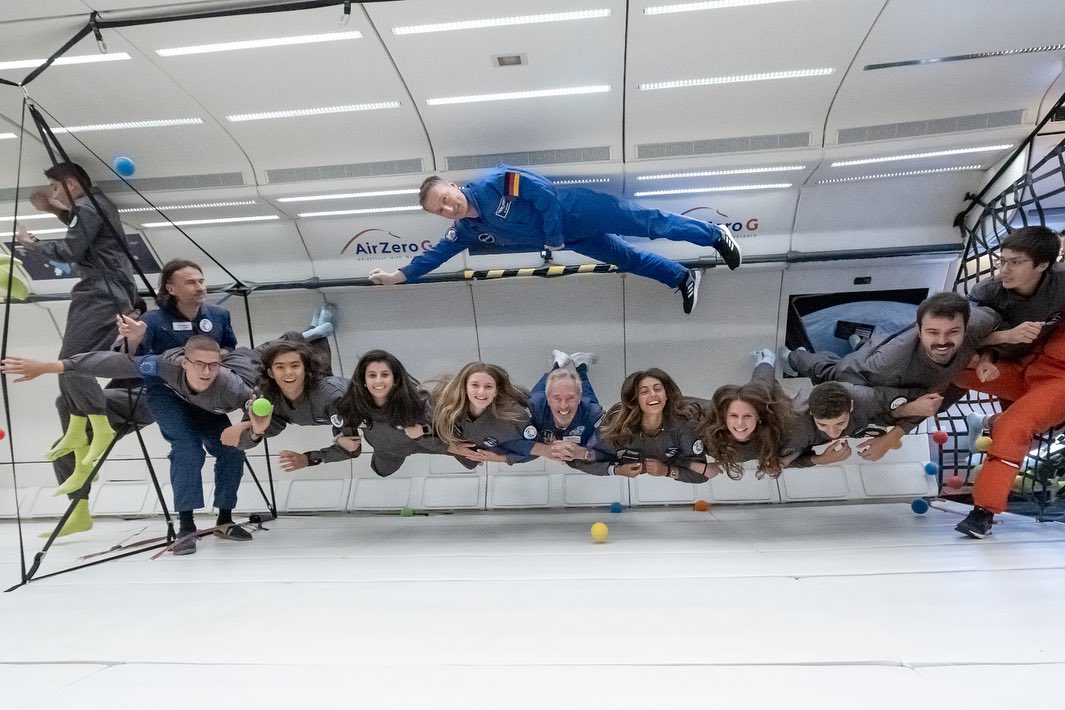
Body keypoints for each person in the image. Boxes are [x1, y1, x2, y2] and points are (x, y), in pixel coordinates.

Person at [3, 336, 258, 555]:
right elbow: (114, 364)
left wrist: (244, 428)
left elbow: (259, 417)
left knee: (232, 451)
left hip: (210, 406)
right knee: (187, 449)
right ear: (185, 362)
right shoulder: (164, 365)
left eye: (213, 365)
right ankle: (186, 527)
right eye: (199, 364)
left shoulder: (232, 387)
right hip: (168, 398)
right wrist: (49, 366)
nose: (206, 372)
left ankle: (225, 519)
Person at [367, 166, 742, 314]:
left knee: (649, 224)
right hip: (571, 238)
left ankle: (713, 234)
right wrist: (399, 276)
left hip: (578, 210)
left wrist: (552, 236)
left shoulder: (492, 183)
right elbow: (433, 257)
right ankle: (681, 278)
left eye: (445, 197)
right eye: (440, 209)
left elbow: (542, 193)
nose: (448, 206)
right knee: (626, 259)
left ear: (451, 185)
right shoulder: (465, 231)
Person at [14, 162, 138, 470]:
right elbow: (84, 231)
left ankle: (97, 424)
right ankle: (80, 425)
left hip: (102, 290)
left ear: (70, 184)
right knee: (70, 360)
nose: (54, 193)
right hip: (104, 289)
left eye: (56, 188)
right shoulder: (93, 206)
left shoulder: (89, 208)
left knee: (72, 359)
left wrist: (34, 244)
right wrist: (53, 210)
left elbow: (71, 249)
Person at [781, 292, 1001, 461]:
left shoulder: (977, 324)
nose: (942, 341)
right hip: (860, 374)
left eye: (953, 332)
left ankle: (859, 340)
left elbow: (996, 315)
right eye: (933, 332)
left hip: (903, 371)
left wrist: (988, 356)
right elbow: (882, 400)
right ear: (919, 329)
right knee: (828, 371)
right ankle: (794, 356)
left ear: (966, 327)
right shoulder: (889, 365)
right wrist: (891, 436)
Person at [952, 225, 1065, 538]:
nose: (1005, 269)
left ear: (1043, 265)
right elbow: (963, 336)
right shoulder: (988, 291)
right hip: (1021, 369)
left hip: (1057, 383)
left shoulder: (1061, 281)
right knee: (949, 366)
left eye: (1015, 262)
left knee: (1014, 426)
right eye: (1003, 260)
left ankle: (983, 512)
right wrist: (991, 353)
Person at [221, 336, 360, 471]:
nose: (288, 373)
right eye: (280, 367)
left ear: (305, 369)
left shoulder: (329, 396)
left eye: (295, 366)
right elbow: (241, 442)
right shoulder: (266, 396)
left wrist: (309, 458)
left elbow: (352, 448)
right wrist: (254, 430)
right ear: (270, 372)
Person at [334, 350, 449, 476]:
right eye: (372, 375)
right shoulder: (355, 404)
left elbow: (441, 435)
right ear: (364, 381)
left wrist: (422, 432)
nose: (378, 381)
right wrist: (339, 439)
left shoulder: (418, 403)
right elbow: (339, 420)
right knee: (381, 471)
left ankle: (391, 375)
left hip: (412, 439)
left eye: (384, 375)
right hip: (386, 450)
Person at [595, 367, 708, 481]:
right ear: (635, 399)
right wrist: (617, 470)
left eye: (658, 389)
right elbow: (590, 457)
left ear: (666, 394)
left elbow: (703, 473)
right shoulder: (618, 422)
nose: (653, 394)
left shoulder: (682, 424)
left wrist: (667, 471)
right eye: (644, 391)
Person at [781, 380, 926, 469]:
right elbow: (778, 464)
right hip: (804, 415)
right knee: (806, 362)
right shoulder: (795, 426)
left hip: (849, 373)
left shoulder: (867, 398)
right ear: (812, 414)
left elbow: (930, 401)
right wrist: (820, 460)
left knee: (830, 368)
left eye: (840, 423)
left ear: (851, 407)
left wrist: (889, 439)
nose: (833, 433)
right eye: (823, 425)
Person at [699, 351, 793, 480]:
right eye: (733, 416)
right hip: (711, 417)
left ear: (759, 417)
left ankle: (766, 360)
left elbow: (803, 443)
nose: (740, 423)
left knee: (763, 387)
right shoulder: (706, 426)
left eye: (748, 416)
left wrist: (786, 459)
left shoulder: (775, 427)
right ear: (723, 417)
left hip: (763, 396)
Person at [432, 362, 536, 466]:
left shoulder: (513, 418)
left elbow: (539, 448)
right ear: (465, 388)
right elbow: (420, 435)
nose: (481, 392)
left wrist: (502, 458)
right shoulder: (446, 409)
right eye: (475, 385)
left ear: (496, 391)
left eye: (488, 386)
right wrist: (449, 447)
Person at [526, 351, 606, 473]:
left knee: (583, 394)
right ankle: (558, 365)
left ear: (580, 398)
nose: (563, 406)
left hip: (584, 420)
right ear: (547, 400)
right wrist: (544, 450)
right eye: (557, 399)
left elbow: (605, 452)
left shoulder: (592, 412)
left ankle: (579, 366)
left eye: (570, 398)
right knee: (551, 385)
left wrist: (582, 453)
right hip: (541, 405)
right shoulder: (535, 405)